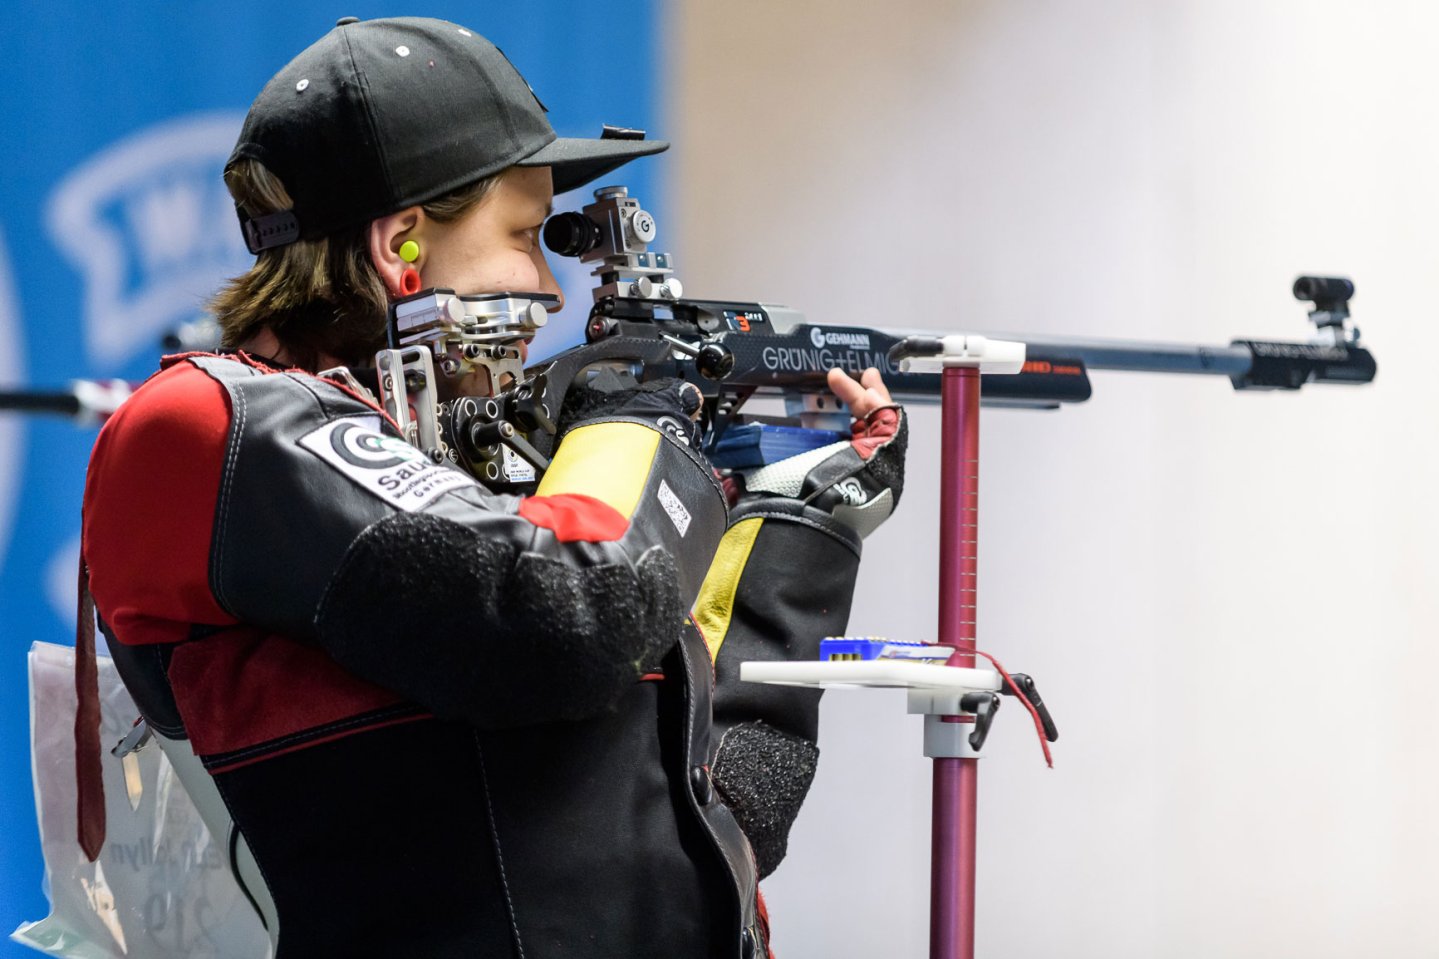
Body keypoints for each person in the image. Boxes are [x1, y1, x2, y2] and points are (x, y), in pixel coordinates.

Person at [79, 16, 906, 958]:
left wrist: (797, 529)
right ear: (402, 247)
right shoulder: (210, 427)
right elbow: (576, 610)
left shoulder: (456, 481)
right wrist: (641, 419)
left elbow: (723, 814)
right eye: (524, 233)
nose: (551, 293)